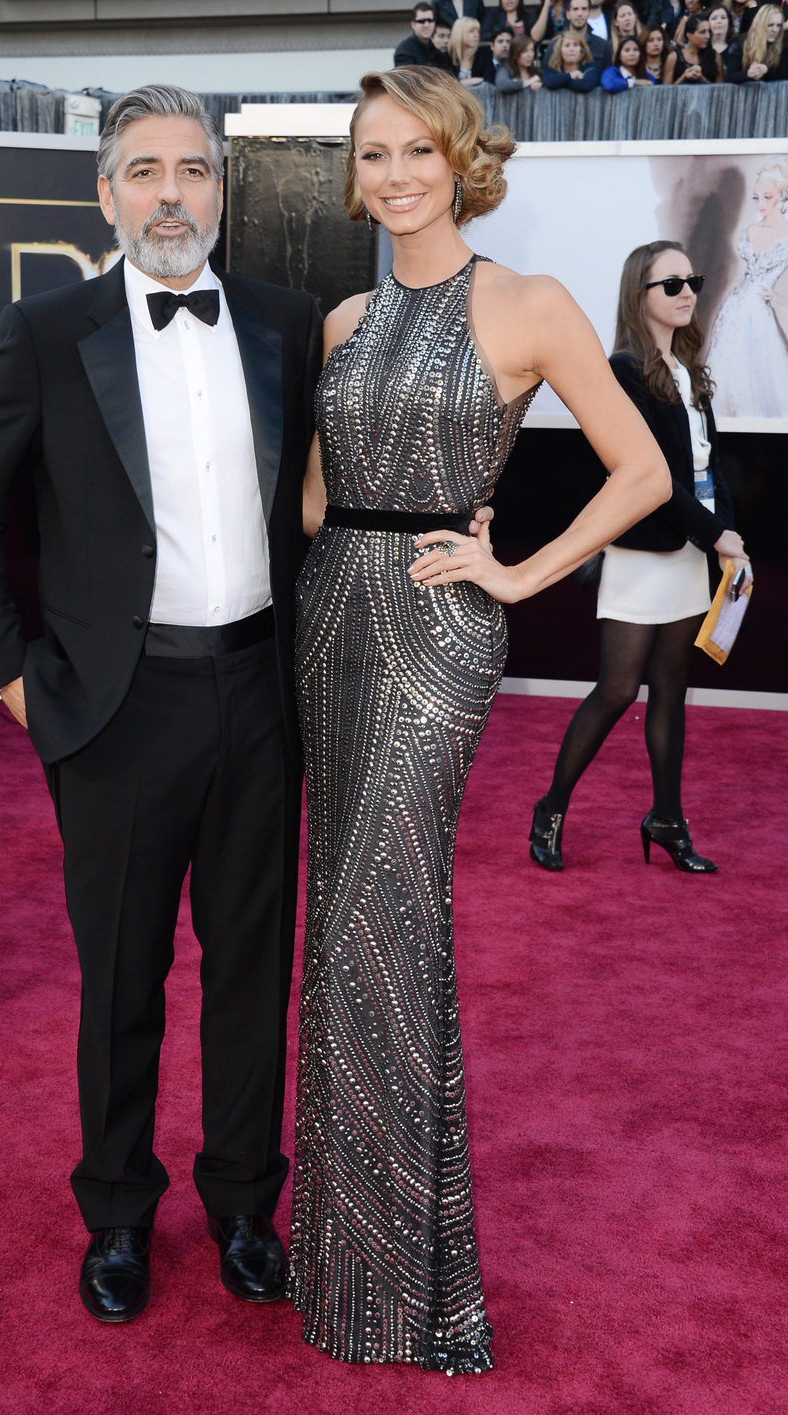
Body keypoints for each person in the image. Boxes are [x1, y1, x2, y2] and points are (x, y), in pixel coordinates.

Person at [287, 65, 670, 1374]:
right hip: (331, 618)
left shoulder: (529, 304)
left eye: (416, 151)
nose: (392, 173)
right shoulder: (341, 321)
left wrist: (516, 567)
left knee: (385, 914)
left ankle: (408, 1281)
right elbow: (317, 509)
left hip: (438, 632)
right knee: (332, 918)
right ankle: (340, 1255)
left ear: (463, 161)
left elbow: (643, 467)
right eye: (372, 153)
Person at [0, 83, 321, 1325]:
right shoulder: (50, 330)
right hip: (114, 705)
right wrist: (8, 677)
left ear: (223, 189)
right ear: (105, 195)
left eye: (193, 170)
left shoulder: (285, 320)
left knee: (255, 967)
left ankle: (246, 1202)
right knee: (122, 974)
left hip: (261, 693)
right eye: (144, 170)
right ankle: (116, 1210)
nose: (171, 193)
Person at [529, 241, 751, 876]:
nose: (687, 292)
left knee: (672, 692)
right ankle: (550, 807)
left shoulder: (689, 372)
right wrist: (716, 535)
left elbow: (710, 471)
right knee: (620, 688)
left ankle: (667, 819)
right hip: (644, 549)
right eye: (670, 283)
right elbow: (654, 478)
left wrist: (724, 536)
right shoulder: (623, 371)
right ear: (640, 295)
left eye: (692, 281)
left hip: (690, 551)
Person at [706, 159, 788, 418]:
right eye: (757, 198)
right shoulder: (751, 230)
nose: (762, 204)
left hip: (762, 310)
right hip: (737, 304)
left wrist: (776, 297)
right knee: (728, 364)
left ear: (782, 196)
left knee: (763, 369)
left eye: (768, 197)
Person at [545, 0, 612, 64]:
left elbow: (608, 74)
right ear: (567, 14)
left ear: (589, 13)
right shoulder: (554, 46)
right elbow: (546, 74)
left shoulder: (603, 47)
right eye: (575, 9)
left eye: (584, 9)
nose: (579, 14)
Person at [663, 12, 721, 80]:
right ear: (689, 35)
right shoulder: (673, 58)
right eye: (702, 32)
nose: (707, 36)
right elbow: (666, 89)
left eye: (709, 32)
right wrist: (684, 77)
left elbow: (720, 89)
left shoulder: (715, 57)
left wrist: (701, 78)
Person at [738, 3, 788, 78]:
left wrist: (766, 70)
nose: (775, 30)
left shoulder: (783, 45)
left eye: (778, 25)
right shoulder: (741, 41)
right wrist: (748, 73)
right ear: (760, 24)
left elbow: (783, 76)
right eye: (770, 25)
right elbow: (730, 75)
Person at [450, 16, 488, 83]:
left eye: (478, 32)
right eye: (471, 31)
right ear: (460, 33)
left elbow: (489, 81)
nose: (476, 35)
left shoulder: (484, 55)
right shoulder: (447, 56)